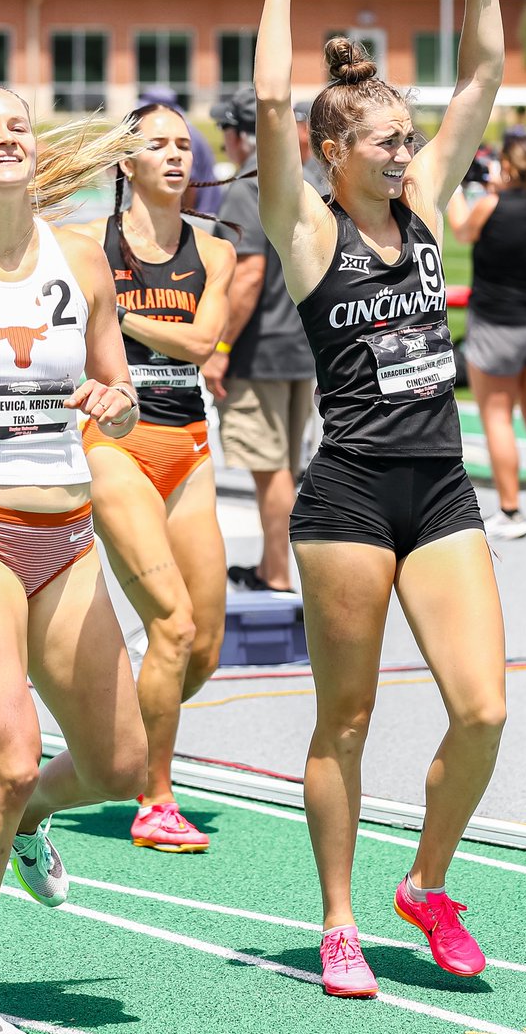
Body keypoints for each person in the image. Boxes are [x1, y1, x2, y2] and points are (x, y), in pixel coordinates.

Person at [254, 0, 506, 998]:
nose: (410, 151)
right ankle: (341, 921)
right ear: (333, 151)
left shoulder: (431, 211)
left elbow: (485, 80)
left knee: (484, 708)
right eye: (390, 140)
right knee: (346, 719)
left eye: (412, 137)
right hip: (349, 495)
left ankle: (428, 883)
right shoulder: (308, 230)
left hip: (440, 487)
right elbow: (268, 95)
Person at [0, 85, 148, 1034]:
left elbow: (119, 387)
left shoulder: (81, 259)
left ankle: (34, 823)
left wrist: (114, 405)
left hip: (67, 533)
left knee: (121, 765)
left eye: (19, 124)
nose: (7, 136)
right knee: (3, 762)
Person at [71, 102, 236, 851]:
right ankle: (157, 796)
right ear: (123, 163)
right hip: (111, 442)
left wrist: (109, 311)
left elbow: (203, 342)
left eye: (183, 145)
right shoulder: (84, 246)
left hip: (190, 443)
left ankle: (125, 737)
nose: (175, 156)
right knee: (170, 622)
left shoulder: (216, 249)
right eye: (156, 145)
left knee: (200, 645)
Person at [203, 87, 316, 594]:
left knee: (270, 472)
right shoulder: (311, 179)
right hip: (306, 343)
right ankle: (278, 569)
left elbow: (246, 279)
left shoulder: (248, 187)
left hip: (259, 347)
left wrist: (220, 348)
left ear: (237, 134)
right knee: (287, 469)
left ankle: (277, 574)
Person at [450, 133, 526, 539]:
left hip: (499, 324)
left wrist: (453, 185)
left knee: (498, 417)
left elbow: (462, 231)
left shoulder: (491, 205)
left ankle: (510, 510)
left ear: (507, 165)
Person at [137, 85, 223, 214]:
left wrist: (182, 219)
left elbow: (189, 185)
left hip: (200, 213)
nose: (175, 154)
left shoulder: (186, 133)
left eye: (183, 147)